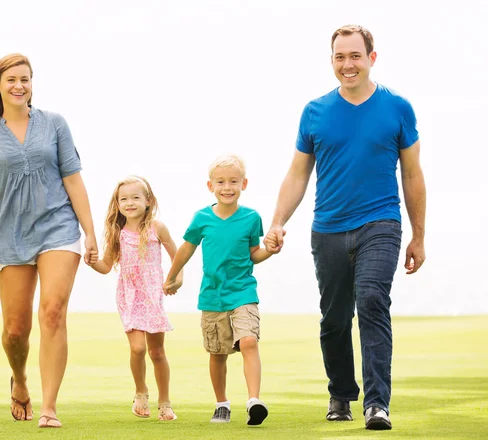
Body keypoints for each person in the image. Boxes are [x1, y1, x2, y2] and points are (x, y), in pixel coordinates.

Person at [264, 24, 427, 430]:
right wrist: (278, 222)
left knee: (372, 300)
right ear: (332, 61)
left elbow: (412, 175)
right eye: (340, 57)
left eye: (355, 56)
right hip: (329, 228)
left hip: (381, 223)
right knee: (334, 317)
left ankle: (377, 404)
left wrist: (419, 235)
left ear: (372, 58)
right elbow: (298, 175)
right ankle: (340, 394)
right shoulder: (314, 111)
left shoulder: (398, 108)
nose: (348, 64)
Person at [0, 53, 99, 428]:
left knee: (52, 312)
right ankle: (20, 380)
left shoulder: (54, 124)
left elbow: (73, 179)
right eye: (11, 80)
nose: (19, 85)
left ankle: (50, 407)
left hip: (59, 227)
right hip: (11, 234)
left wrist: (89, 232)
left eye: (26, 78)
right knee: (15, 331)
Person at [163, 154, 272, 426]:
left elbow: (254, 254)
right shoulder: (202, 218)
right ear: (210, 186)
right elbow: (186, 249)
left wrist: (270, 249)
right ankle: (222, 404)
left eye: (233, 181)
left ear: (243, 184)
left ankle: (253, 401)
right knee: (218, 353)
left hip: (244, 291)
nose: (227, 187)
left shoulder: (251, 218)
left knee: (248, 340)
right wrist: (172, 276)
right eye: (221, 181)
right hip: (212, 295)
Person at [89, 176, 178, 421]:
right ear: (117, 204)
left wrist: (176, 278)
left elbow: (177, 255)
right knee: (138, 348)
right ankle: (141, 392)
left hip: (152, 295)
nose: (130, 203)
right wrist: (91, 261)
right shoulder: (117, 233)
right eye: (124, 199)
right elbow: (107, 265)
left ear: (148, 201)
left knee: (157, 352)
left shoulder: (157, 228)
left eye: (136, 197)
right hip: (129, 296)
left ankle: (165, 403)